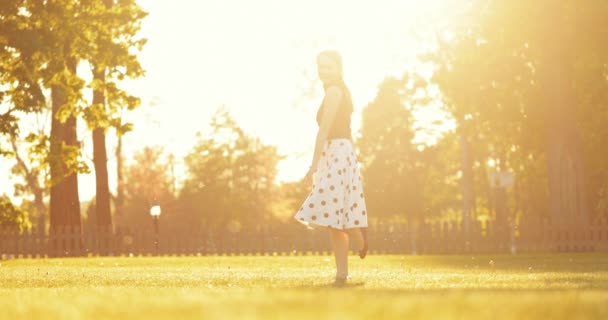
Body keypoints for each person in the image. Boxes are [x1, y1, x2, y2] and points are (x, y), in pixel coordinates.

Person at [294, 50, 369, 285]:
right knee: (335, 216)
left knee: (332, 215)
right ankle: (354, 251)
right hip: (339, 152)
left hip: (337, 152)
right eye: (320, 66)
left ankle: (350, 257)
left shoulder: (335, 92)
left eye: (328, 66)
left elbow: (324, 130)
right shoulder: (336, 91)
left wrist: (313, 166)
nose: (323, 71)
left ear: (338, 68)